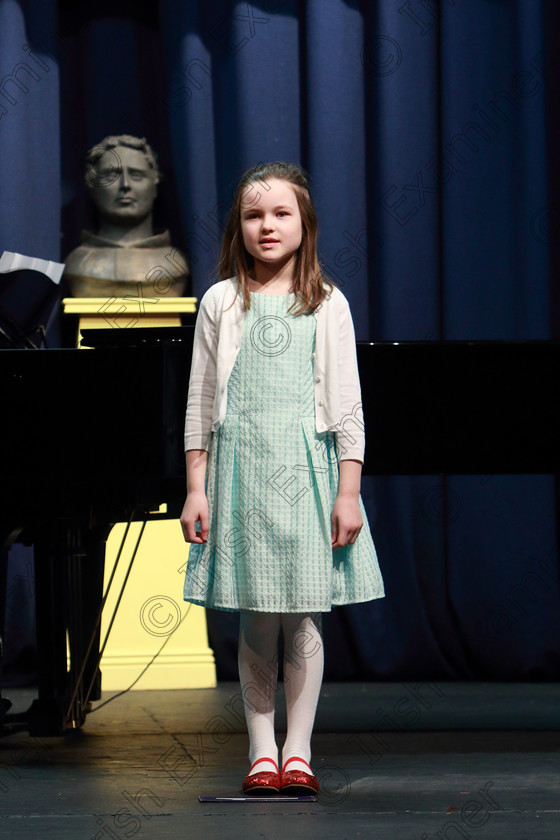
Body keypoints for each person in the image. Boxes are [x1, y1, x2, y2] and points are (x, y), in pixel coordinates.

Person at [180, 161, 384, 796]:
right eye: (252, 215)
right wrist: (195, 486)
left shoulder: (327, 303)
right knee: (258, 616)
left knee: (302, 616)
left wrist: (348, 491)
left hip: (305, 470)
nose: (266, 225)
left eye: (280, 213)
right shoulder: (220, 301)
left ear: (305, 222)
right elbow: (201, 401)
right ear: (238, 227)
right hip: (240, 471)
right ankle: (261, 750)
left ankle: (299, 750)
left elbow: (346, 403)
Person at [64, 134, 189, 298]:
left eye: (136, 175)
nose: (125, 185)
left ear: (154, 185)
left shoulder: (175, 264)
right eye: (111, 176)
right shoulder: (76, 264)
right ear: (92, 187)